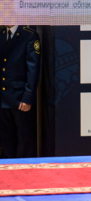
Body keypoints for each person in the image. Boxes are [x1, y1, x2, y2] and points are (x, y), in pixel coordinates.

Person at [0, 26, 41, 158]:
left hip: (20, 98)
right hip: (3, 98)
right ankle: (8, 172)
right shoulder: (1, 33)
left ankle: (25, 173)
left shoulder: (29, 35)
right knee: (6, 140)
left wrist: (28, 97)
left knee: (25, 141)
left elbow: (33, 68)